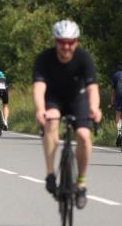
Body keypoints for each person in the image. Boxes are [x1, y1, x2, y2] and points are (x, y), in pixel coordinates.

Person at [32, 20, 102, 209]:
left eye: (70, 42)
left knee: (84, 136)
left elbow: (92, 88)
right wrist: (40, 109)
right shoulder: (44, 59)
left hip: (77, 99)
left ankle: (81, 183)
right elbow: (39, 88)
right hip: (54, 98)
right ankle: (50, 174)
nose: (66, 46)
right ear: (55, 41)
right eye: (62, 42)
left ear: (76, 42)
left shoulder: (83, 58)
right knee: (51, 123)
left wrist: (95, 108)